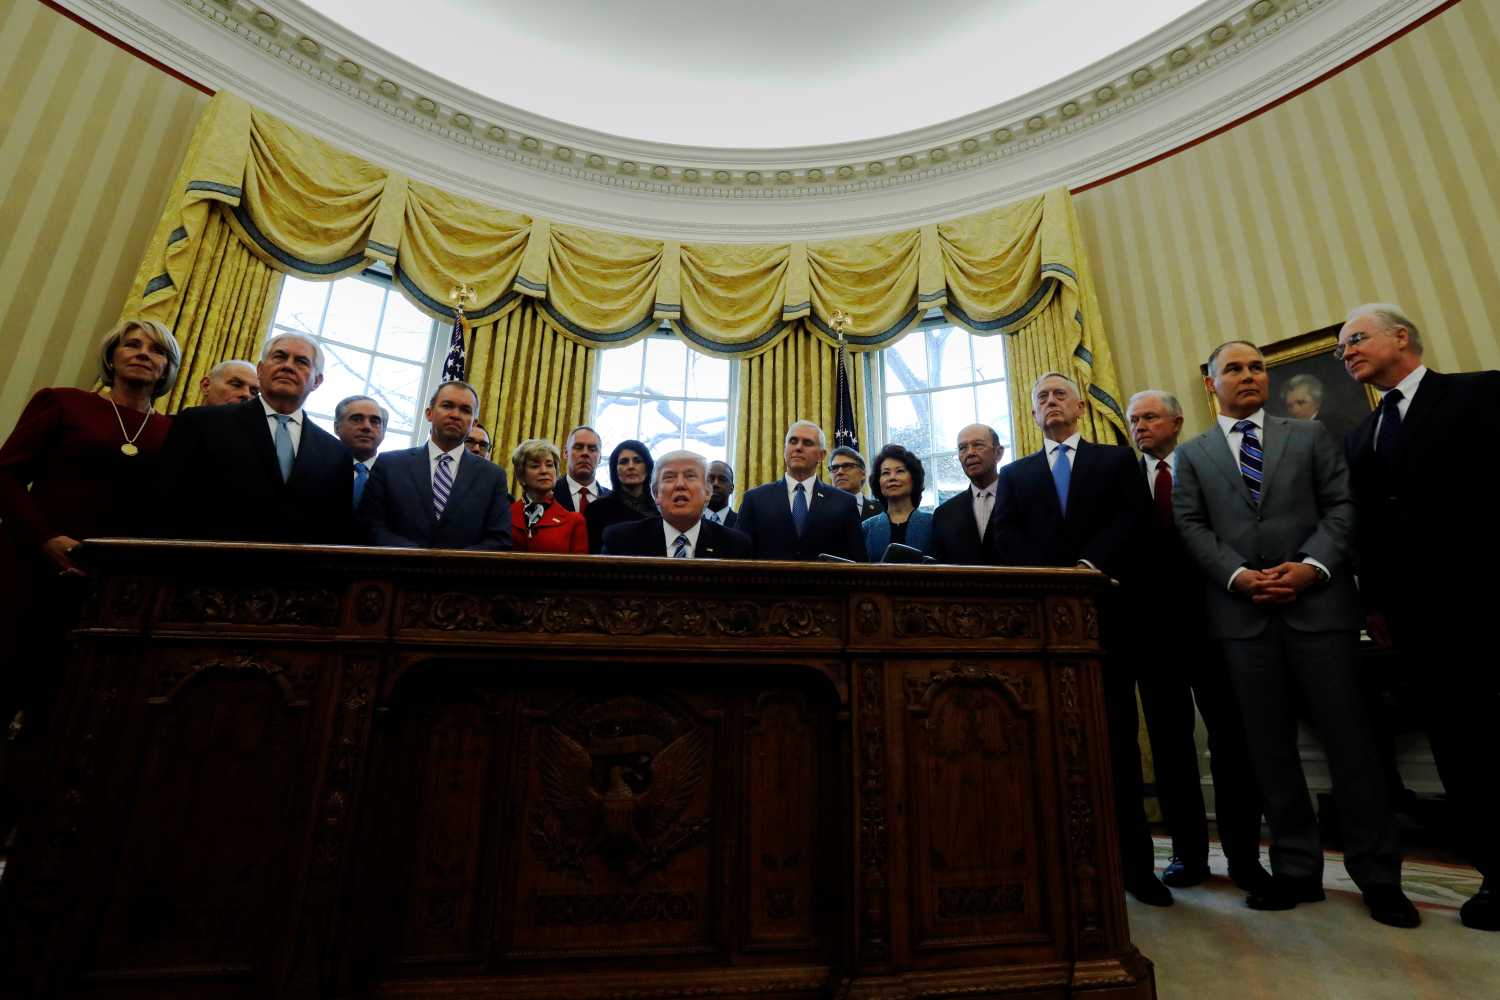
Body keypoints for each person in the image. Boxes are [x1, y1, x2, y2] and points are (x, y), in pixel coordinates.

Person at [1173, 340, 1414, 927]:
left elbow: (1342, 506)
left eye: (1256, 366)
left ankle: (1379, 876)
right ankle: (1297, 870)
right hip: (1243, 619)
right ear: (1211, 384)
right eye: (1234, 368)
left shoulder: (1308, 436)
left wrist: (1311, 567)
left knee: (1353, 748)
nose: (1249, 375)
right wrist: (1237, 576)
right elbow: (1190, 523)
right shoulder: (1193, 454)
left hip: (1321, 610)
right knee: (1269, 752)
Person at [1338, 303, 1499, 931]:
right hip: (1416, 621)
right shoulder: (1360, 436)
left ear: (1400, 337)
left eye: (1355, 340)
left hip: (1484, 602)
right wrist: (1374, 602)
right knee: (1461, 748)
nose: (1346, 352)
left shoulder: (1477, 395)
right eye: (1341, 349)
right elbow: (1367, 530)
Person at [986, 372, 1169, 906]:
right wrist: (1054, 581)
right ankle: (1063, 869)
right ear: (1033, 412)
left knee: (1116, 747)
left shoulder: (1115, 462)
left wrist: (1088, 567)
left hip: (1110, 623)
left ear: (1081, 406)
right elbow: (1005, 537)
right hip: (1042, 631)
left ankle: (1136, 868)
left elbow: (1134, 523)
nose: (1049, 401)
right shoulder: (1016, 475)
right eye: (1040, 396)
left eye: (1059, 393)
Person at [0, 319, 181, 829]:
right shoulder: (63, 402)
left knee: (63, 710)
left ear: (168, 368)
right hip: (30, 571)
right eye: (133, 344)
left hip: (106, 591)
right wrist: (43, 538)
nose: (143, 355)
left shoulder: (171, 432)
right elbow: (7, 474)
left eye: (157, 351)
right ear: (112, 355)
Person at [1125, 389, 1267, 893]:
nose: (1140, 426)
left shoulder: (1209, 463)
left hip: (1215, 625)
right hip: (1152, 634)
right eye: (1134, 419)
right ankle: (1188, 855)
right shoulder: (1123, 478)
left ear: (1178, 421)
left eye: (1150, 417)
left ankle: (1245, 858)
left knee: (1232, 742)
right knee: (1170, 747)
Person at [157, 332, 353, 544]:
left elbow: (336, 531)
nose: (288, 366)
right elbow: (164, 502)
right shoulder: (200, 423)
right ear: (260, 370)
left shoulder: (336, 453)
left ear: (317, 381)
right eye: (279, 357)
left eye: (301, 361)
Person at [358, 380, 511, 551]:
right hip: (398, 572)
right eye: (447, 406)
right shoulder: (389, 464)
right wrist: (417, 557)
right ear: (429, 413)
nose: (455, 414)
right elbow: (370, 526)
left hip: (463, 575)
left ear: (473, 423)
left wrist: (452, 563)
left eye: (465, 410)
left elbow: (499, 539)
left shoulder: (493, 476)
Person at [735, 421, 865, 562]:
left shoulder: (844, 502)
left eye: (807, 443)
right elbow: (739, 555)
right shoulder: (755, 499)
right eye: (793, 441)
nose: (798, 447)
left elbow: (858, 560)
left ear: (821, 455)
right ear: (785, 450)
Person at [601, 450, 752, 559]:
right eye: (669, 477)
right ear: (656, 494)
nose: (680, 484)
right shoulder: (621, 541)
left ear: (707, 492)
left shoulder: (735, 546)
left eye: (690, 476)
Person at [931, 423, 1003, 565]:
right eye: (962, 448)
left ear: (998, 452)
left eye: (978, 445)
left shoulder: (1022, 500)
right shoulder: (944, 514)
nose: (970, 453)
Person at [508, 438, 587, 554]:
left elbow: (581, 569)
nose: (544, 471)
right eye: (535, 466)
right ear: (521, 476)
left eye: (550, 465)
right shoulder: (504, 516)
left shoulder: (574, 521)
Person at [860, 444, 933, 561]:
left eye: (899, 471)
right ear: (878, 482)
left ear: (913, 479)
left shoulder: (933, 524)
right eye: (885, 473)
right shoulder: (866, 528)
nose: (892, 477)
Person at [583, 440, 657, 553]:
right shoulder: (597, 510)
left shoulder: (660, 510)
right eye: (624, 462)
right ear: (615, 470)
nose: (631, 466)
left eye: (637, 461)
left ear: (647, 468)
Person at [334, 395, 387, 511]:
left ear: (384, 432)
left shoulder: (396, 479)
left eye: (375, 421)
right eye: (357, 419)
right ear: (337, 427)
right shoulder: (317, 467)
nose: (366, 427)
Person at [553, 425, 611, 512]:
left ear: (599, 457)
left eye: (592, 449)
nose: (585, 453)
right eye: (578, 447)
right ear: (565, 453)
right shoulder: (548, 494)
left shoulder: (613, 500)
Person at [829, 446, 882, 519]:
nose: (839, 472)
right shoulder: (819, 510)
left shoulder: (881, 509)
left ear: (863, 474)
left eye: (847, 466)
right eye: (834, 468)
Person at [703, 459, 738, 528]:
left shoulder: (742, 523)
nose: (715, 484)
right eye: (710, 479)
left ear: (731, 488)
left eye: (722, 479)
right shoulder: (691, 521)